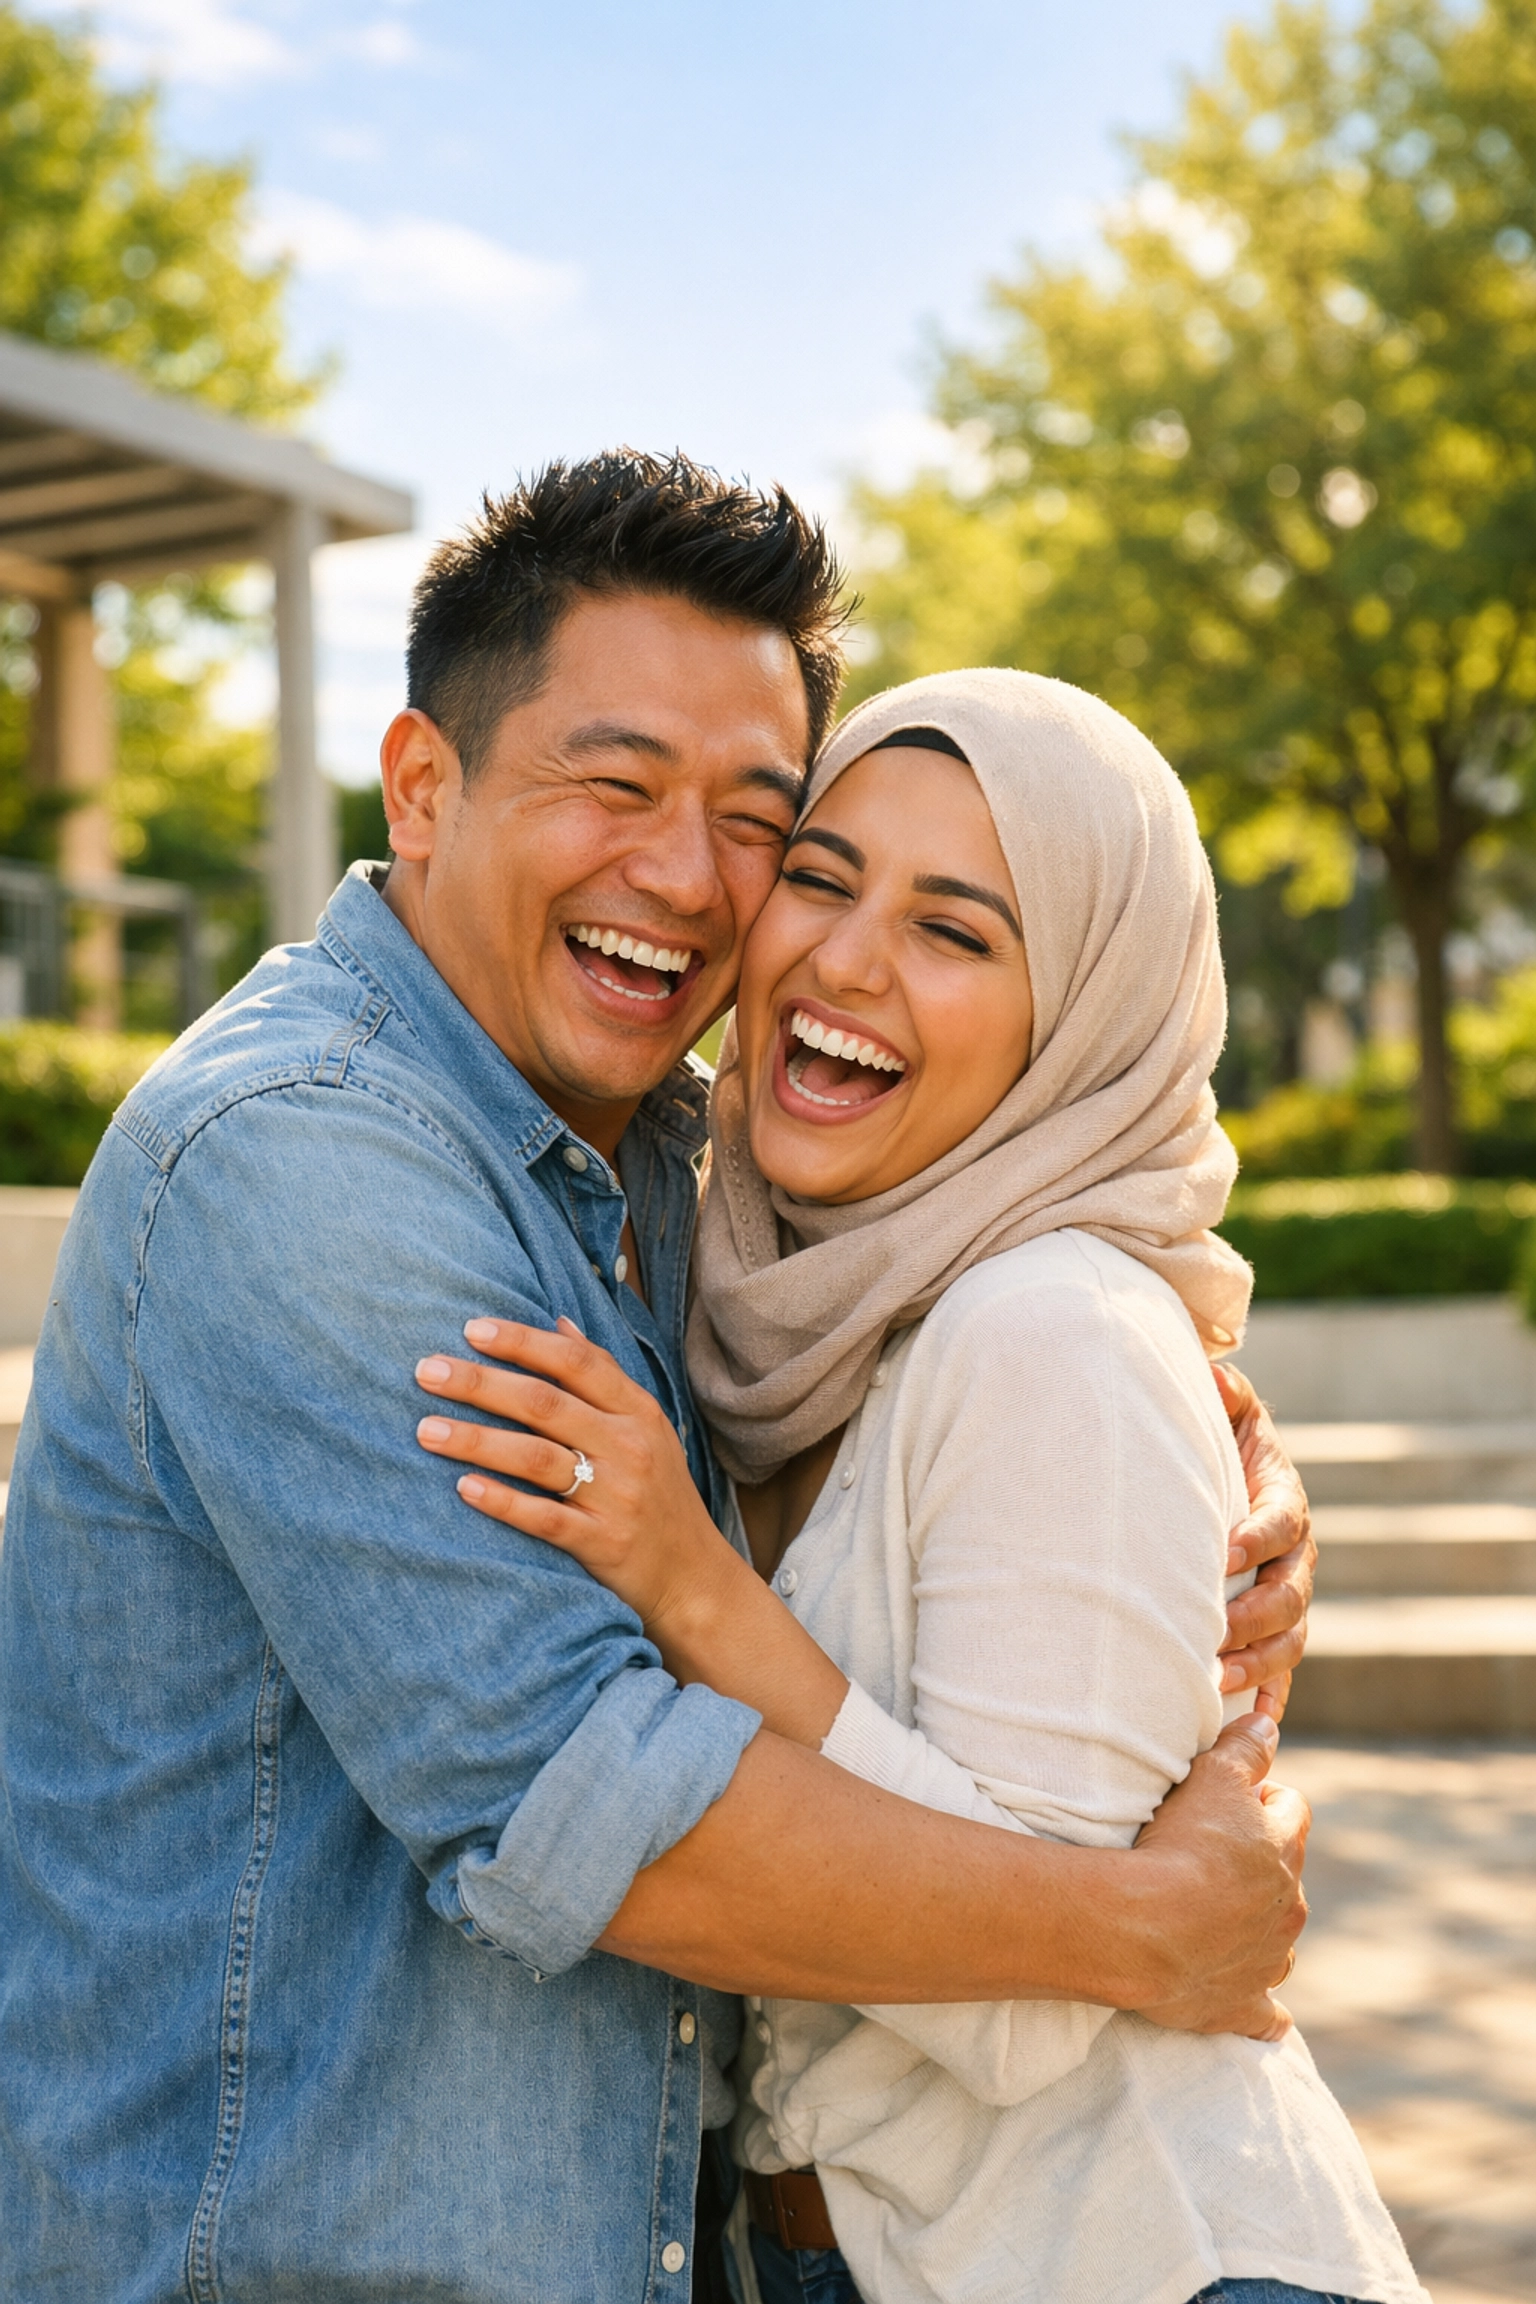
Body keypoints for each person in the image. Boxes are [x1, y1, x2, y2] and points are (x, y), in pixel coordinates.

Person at [0, 457, 1311, 2304]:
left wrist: (1213, 1486)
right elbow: (585, 1806)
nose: (687, 880)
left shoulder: (705, 1181)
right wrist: (1140, 1928)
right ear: (423, 785)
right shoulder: (305, 1154)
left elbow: (1006, 1376)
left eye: (757, 821)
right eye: (614, 787)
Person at [413, 669, 1424, 2304]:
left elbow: (1028, 2004)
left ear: (1077, 1021)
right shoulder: (776, 1307)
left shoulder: (1053, 1329)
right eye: (820, 879)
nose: (845, 961)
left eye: (955, 932)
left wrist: (695, 1590)